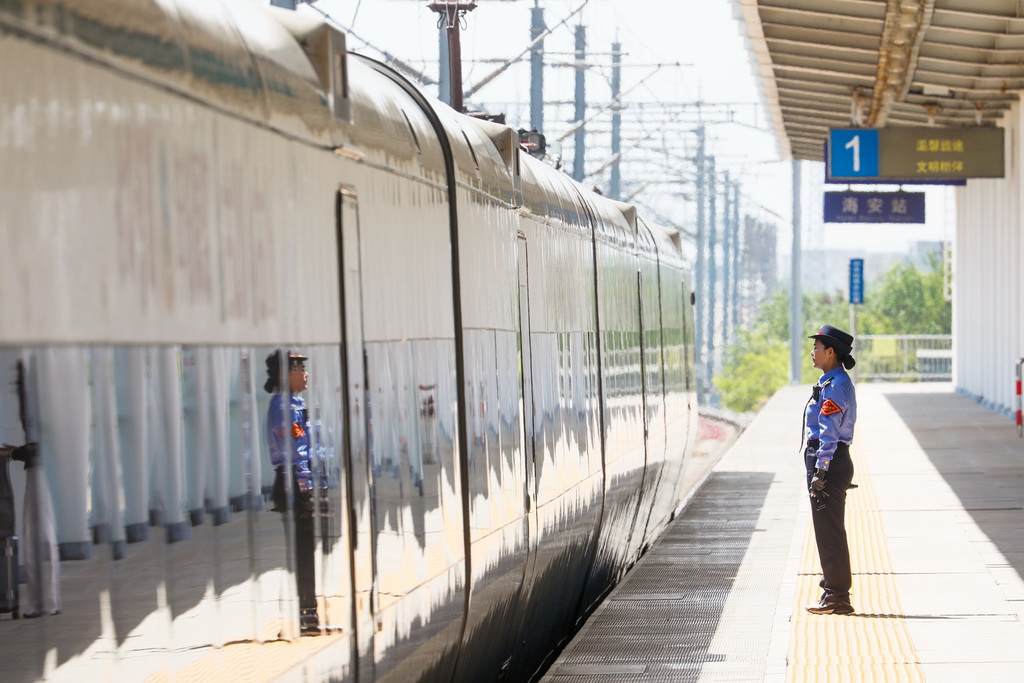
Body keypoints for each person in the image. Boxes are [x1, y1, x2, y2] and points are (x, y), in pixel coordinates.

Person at [803, 324, 858, 615]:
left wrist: (820, 472)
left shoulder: (835, 386)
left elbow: (829, 432)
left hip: (830, 461)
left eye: (817, 348)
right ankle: (833, 590)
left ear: (830, 352)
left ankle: (837, 596)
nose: (812, 353)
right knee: (828, 529)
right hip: (830, 461)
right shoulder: (831, 382)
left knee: (830, 531)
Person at [264, 349, 319, 633]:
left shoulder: (293, 403)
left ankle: (307, 612)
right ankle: (306, 614)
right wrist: (306, 485)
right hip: (293, 482)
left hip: (298, 480)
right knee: (303, 549)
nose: (305, 373)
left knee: (306, 548)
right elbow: (295, 450)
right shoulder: (285, 408)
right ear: (286, 375)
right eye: (299, 368)